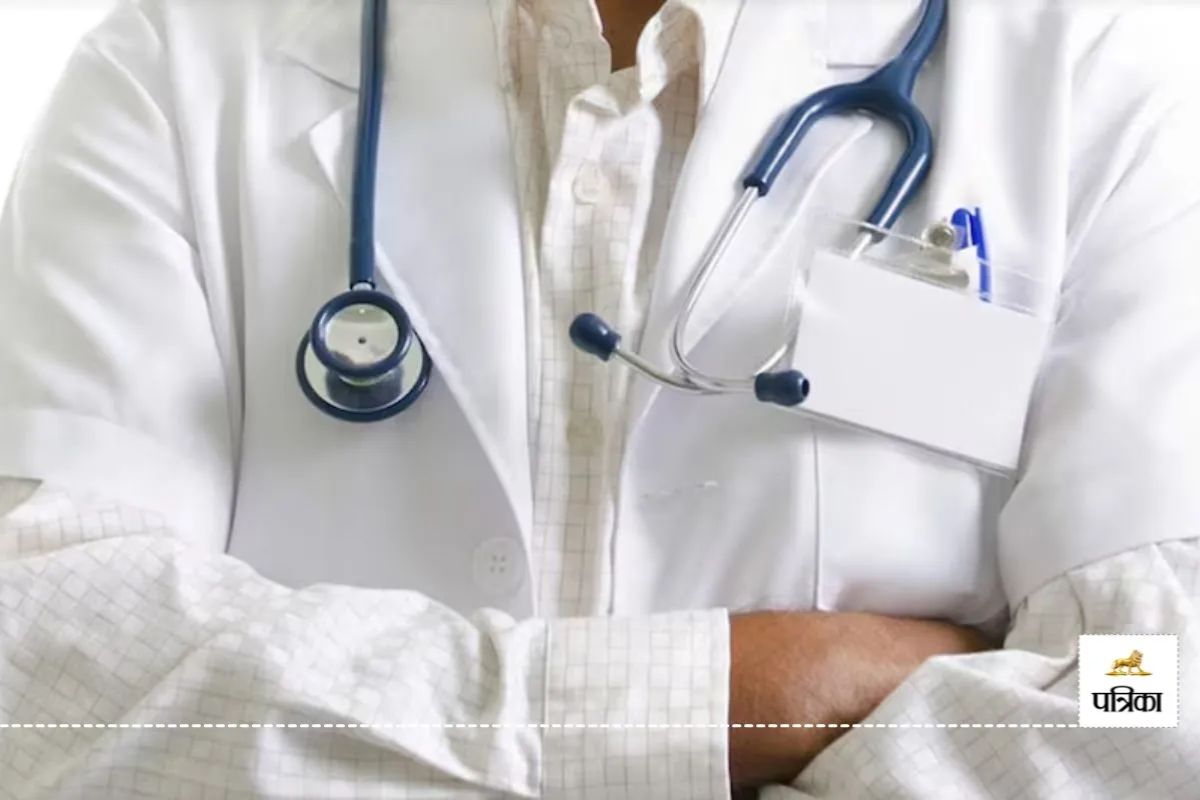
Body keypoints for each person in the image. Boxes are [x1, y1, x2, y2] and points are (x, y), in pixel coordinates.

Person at [0, 0, 1197, 797]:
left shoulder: (1091, 91)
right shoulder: (172, 70)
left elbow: (1156, 684)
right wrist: (744, 696)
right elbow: (41, 665)